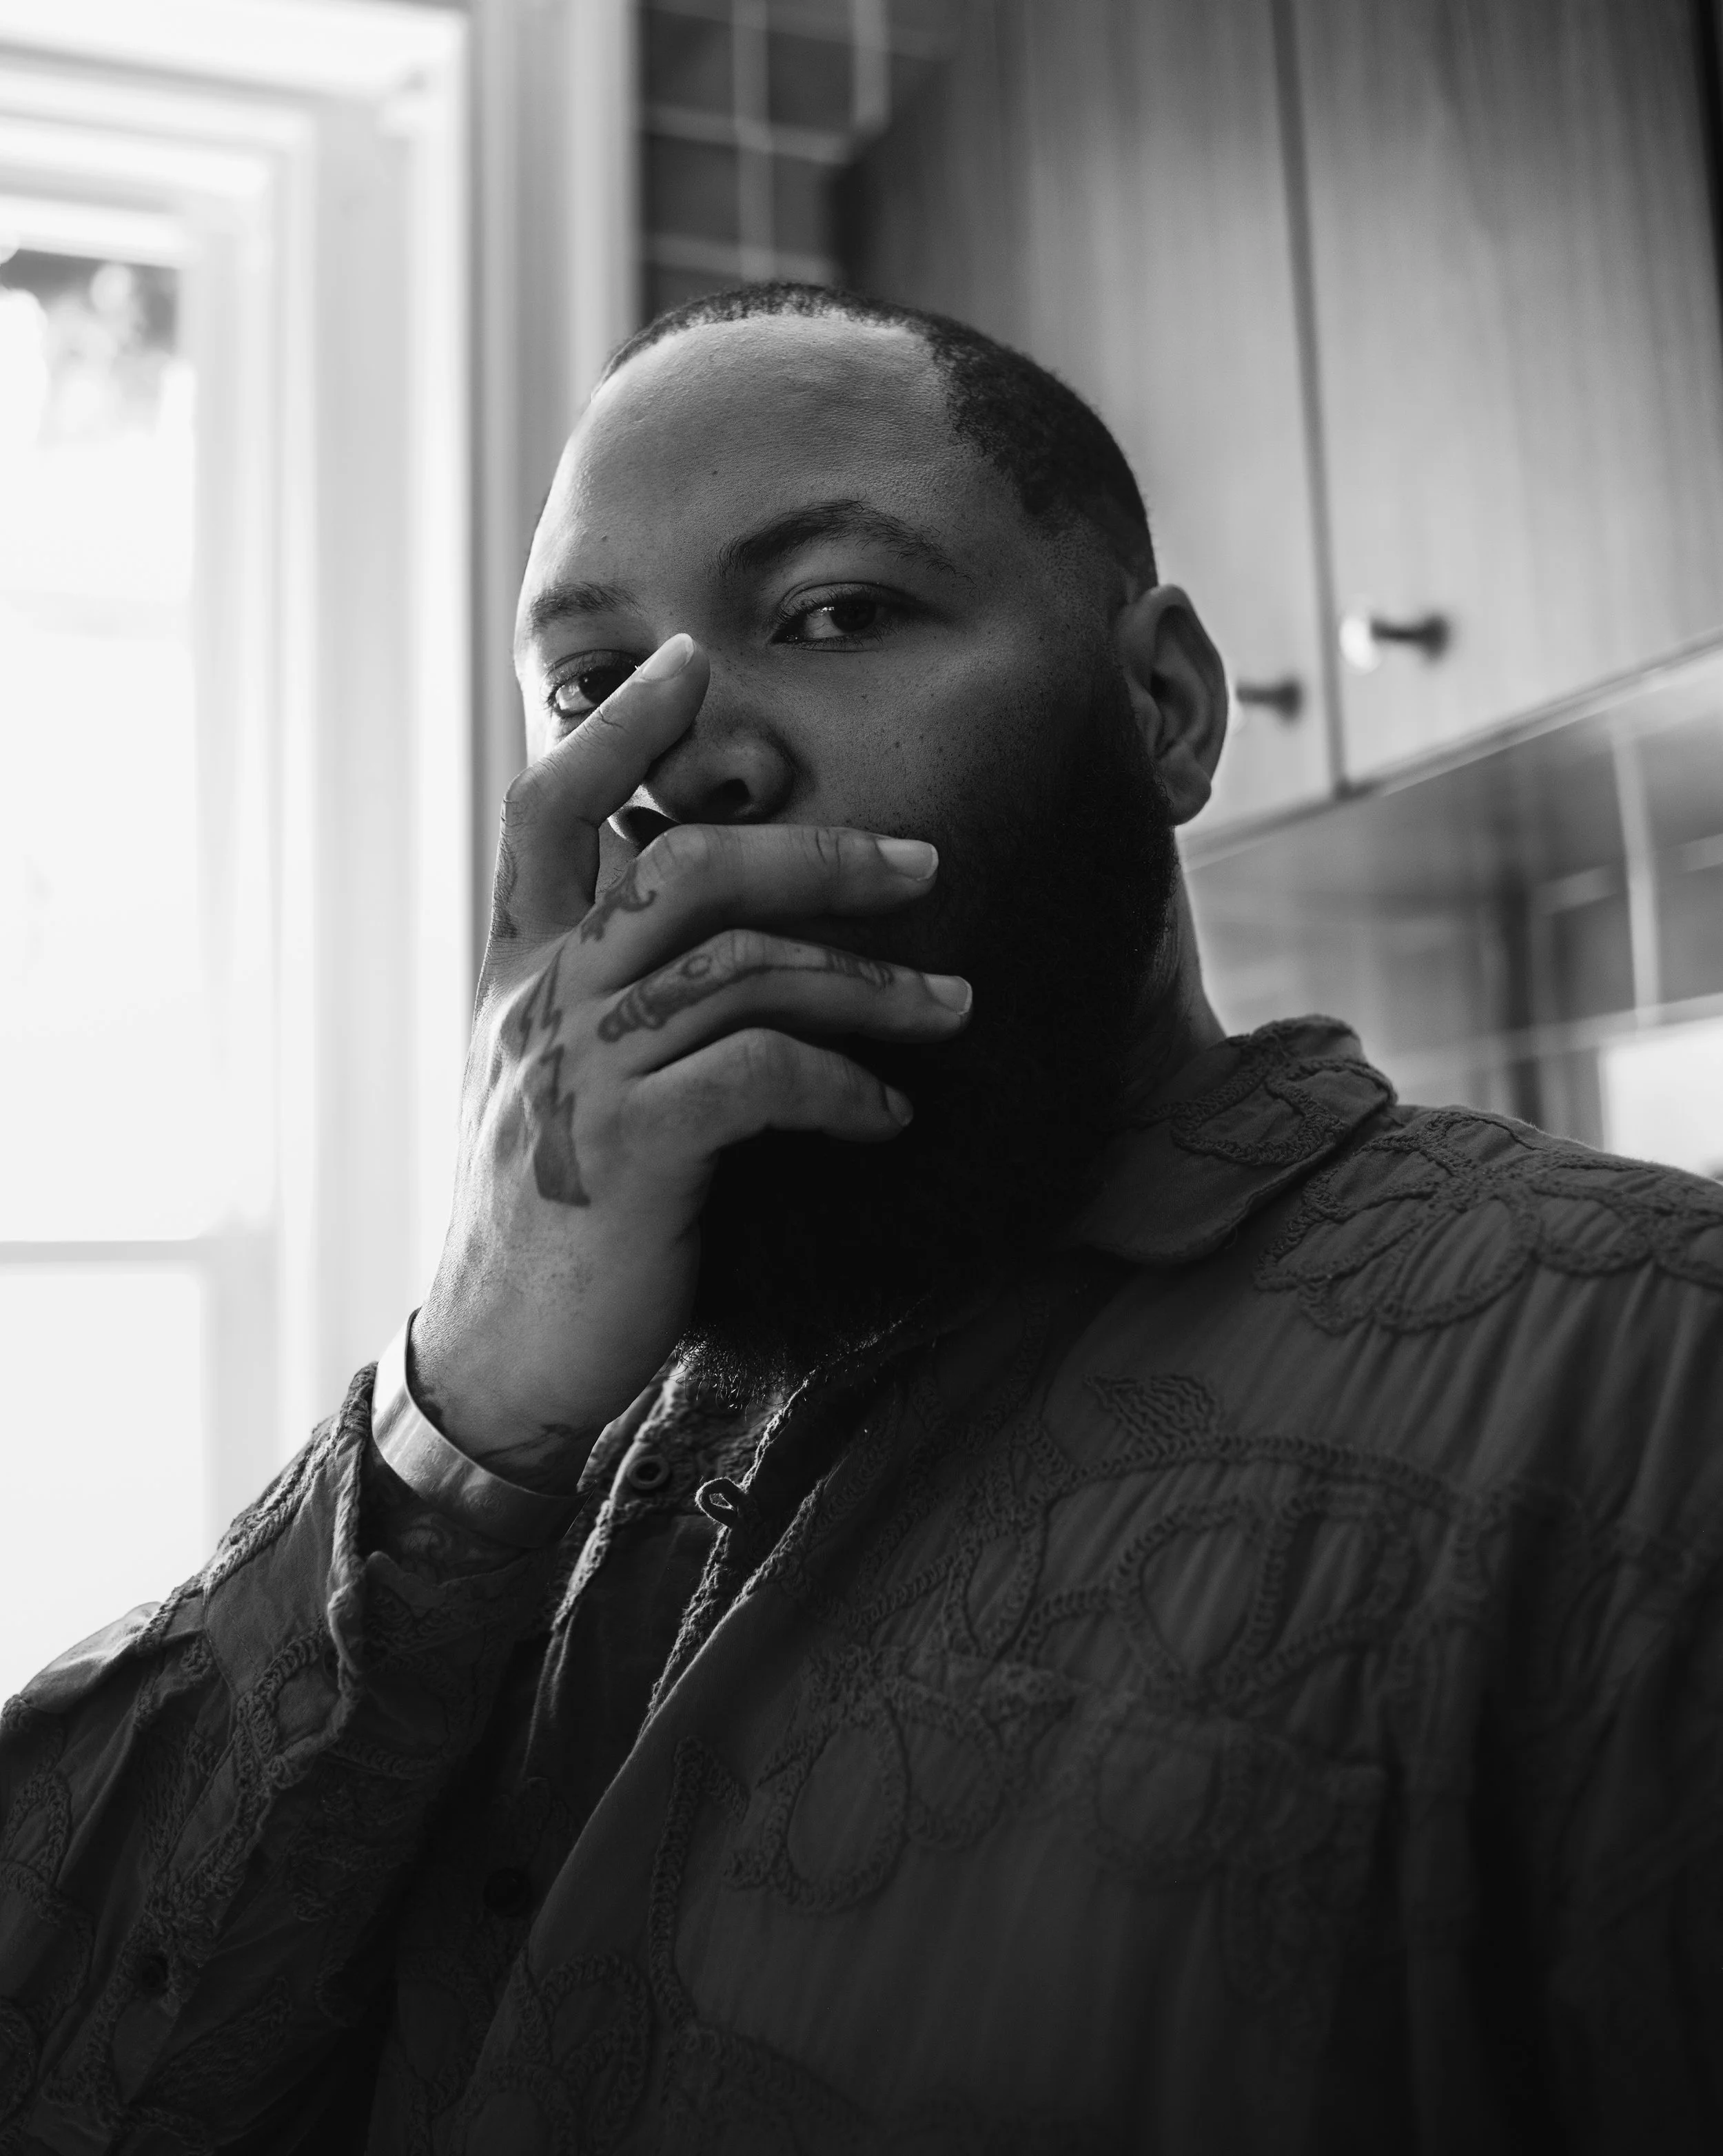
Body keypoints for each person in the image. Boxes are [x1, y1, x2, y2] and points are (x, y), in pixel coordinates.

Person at [3, 284, 1722, 2156]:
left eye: (834, 614)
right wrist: (465, 1393)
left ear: (1161, 709)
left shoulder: (1652, 1367)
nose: (684, 762)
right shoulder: (544, 1423)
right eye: (590, 688)